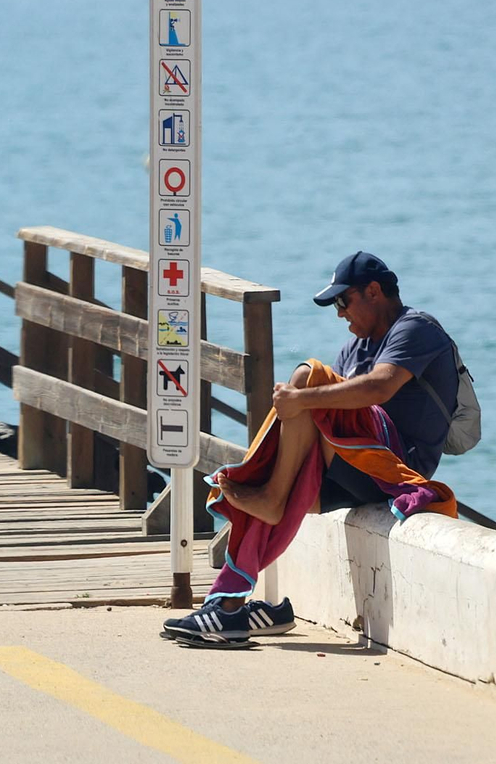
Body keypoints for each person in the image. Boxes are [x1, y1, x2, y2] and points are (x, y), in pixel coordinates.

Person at [162, 250, 459, 645]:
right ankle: (229, 605)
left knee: (307, 378)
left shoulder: (415, 329)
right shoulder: (356, 349)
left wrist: (303, 398)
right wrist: (304, 404)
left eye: (343, 301)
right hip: (355, 467)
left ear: (373, 291)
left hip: (395, 469)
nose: (340, 314)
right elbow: (327, 413)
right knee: (265, 473)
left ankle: (270, 504)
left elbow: (381, 385)